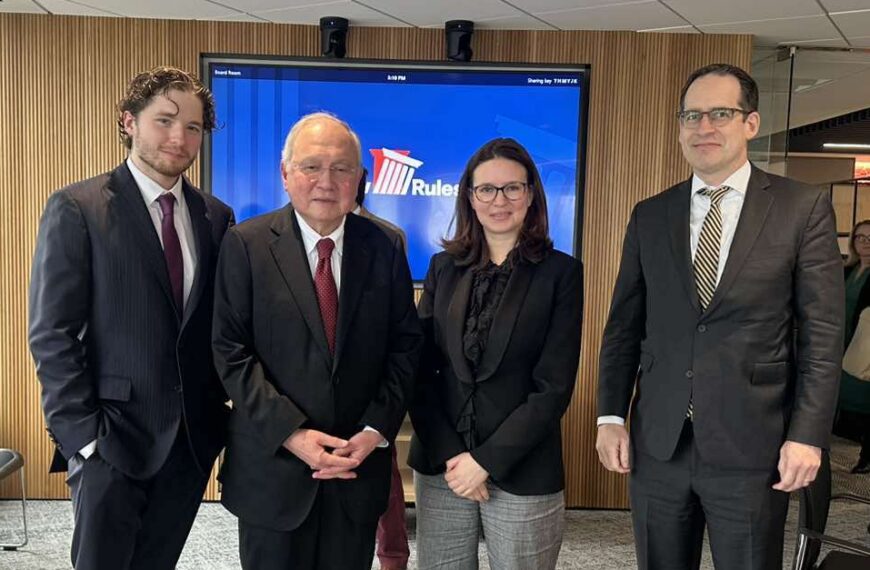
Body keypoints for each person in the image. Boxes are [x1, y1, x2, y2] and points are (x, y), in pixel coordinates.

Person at [596, 63, 845, 570]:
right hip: (660, 445)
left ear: (750, 124)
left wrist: (807, 435)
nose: (703, 127)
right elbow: (624, 326)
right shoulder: (651, 214)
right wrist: (610, 415)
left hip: (754, 447)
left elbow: (822, 336)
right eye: (691, 115)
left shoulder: (802, 207)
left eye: (720, 113)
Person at [28, 66, 234, 569]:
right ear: (128, 122)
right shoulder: (78, 208)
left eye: (193, 127)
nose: (179, 137)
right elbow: (52, 334)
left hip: (189, 445)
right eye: (164, 120)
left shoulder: (216, 216)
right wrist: (83, 439)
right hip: (111, 440)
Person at [212, 112, 422, 570]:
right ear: (285, 174)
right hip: (273, 470)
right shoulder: (244, 245)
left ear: (360, 179)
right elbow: (230, 353)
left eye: (342, 168)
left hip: (355, 468)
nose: (326, 181)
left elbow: (405, 348)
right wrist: (293, 433)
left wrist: (373, 432)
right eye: (311, 166)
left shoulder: (385, 246)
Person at [408, 137, 583, 569]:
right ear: (470, 197)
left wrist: (484, 462)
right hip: (443, 467)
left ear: (531, 195)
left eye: (512, 188)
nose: (498, 200)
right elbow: (419, 371)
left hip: (523, 468)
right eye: (486, 188)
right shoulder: (442, 268)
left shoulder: (561, 273)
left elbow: (553, 387)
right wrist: (455, 457)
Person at [354, 168, 410, 570]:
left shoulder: (388, 236)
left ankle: (393, 557)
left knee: (386, 487)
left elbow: (398, 320)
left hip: (373, 387)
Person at [836, 219, 870, 473]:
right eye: (860, 237)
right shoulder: (847, 271)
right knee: (845, 393)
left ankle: (866, 454)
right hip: (842, 340)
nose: (865, 243)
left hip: (865, 345)